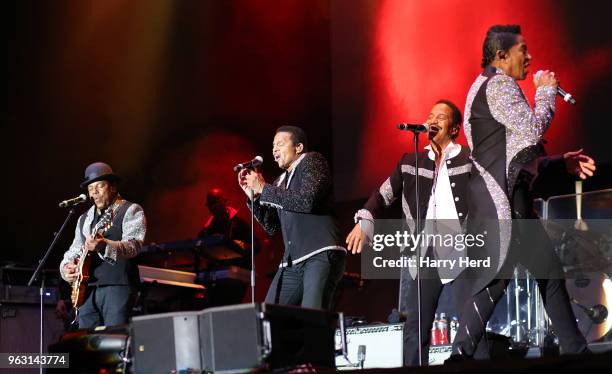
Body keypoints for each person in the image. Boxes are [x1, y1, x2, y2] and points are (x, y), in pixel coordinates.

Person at [449, 24, 596, 360]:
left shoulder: (488, 84)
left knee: (548, 273)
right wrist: (545, 92)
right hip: (503, 200)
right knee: (499, 280)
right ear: (502, 55)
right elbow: (531, 132)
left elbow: (518, 153)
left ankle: (577, 350)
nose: (530, 57)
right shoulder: (499, 84)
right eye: (523, 50)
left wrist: (560, 162)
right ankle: (458, 354)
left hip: (508, 196)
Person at [346, 99, 472, 366]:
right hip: (424, 253)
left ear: (455, 128)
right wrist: (365, 222)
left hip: (463, 249)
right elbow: (381, 196)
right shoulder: (409, 162)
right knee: (415, 327)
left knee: (471, 324)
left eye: (441, 116)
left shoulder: (469, 159)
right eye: (430, 115)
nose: (433, 119)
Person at [238, 125, 346, 309]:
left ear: (299, 148)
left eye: (280, 144)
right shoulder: (279, 181)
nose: (274, 149)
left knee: (313, 316)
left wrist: (264, 188)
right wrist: (254, 197)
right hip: (291, 262)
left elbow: (307, 201)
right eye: (273, 146)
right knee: (271, 316)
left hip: (319, 254)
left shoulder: (312, 161)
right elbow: (271, 226)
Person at [59, 162, 146, 328]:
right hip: (87, 291)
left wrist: (104, 245)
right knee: (86, 343)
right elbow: (73, 251)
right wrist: (66, 269)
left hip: (117, 288)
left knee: (113, 340)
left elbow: (134, 245)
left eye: (99, 187)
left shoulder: (130, 210)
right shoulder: (84, 218)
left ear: (112, 187)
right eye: (91, 189)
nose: (94, 193)